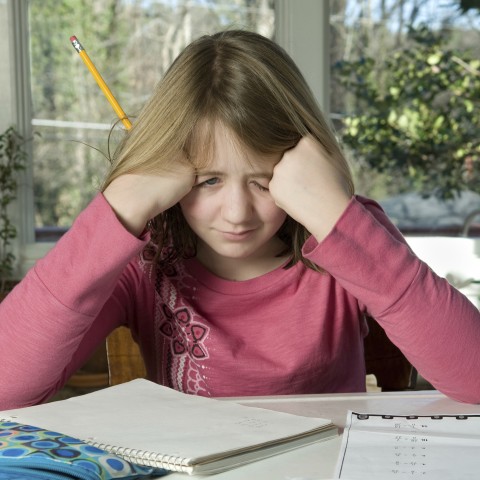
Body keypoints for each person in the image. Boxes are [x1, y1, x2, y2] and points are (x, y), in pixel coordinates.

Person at [0, 30, 479, 410]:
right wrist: (118, 208)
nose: (237, 214)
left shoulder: (348, 231)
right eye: (207, 180)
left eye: (264, 180)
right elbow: (6, 389)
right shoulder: (145, 251)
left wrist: (335, 216)